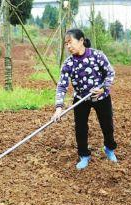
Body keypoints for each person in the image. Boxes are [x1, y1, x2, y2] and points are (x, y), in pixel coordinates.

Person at [50, 28, 118, 170]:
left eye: (70, 42)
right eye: (66, 44)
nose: (68, 46)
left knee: (107, 126)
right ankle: (84, 155)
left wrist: (104, 88)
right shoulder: (68, 63)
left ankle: (109, 149)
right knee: (80, 129)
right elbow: (62, 85)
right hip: (81, 98)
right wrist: (58, 107)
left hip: (101, 96)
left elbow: (110, 73)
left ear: (81, 41)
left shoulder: (97, 56)